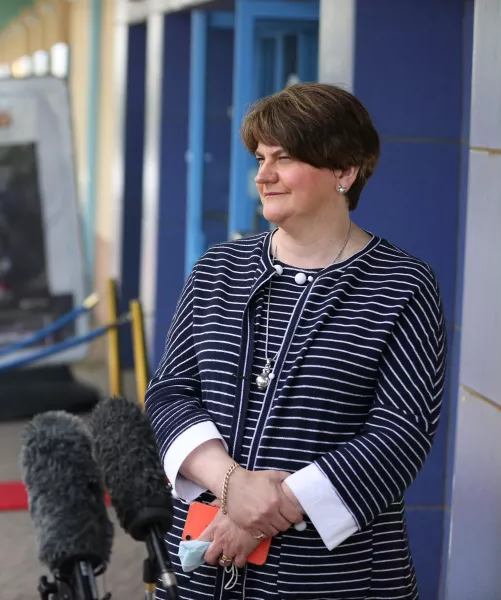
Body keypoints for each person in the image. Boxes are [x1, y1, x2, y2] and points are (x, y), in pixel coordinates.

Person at [145, 82, 446, 599]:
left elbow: (401, 432)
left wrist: (267, 510)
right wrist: (232, 486)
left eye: (283, 158)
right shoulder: (218, 268)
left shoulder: (401, 285)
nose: (263, 175)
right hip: (204, 565)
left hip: (336, 579)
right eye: (261, 158)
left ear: (344, 171)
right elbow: (170, 391)